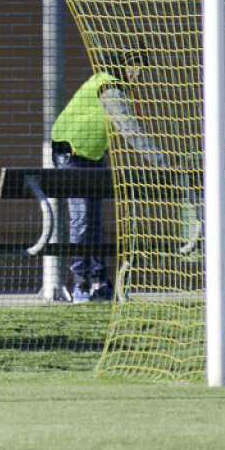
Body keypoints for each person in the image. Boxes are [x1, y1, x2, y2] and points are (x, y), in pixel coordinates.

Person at [50, 51, 169, 303]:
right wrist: (162, 161)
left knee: (94, 221)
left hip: (92, 156)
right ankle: (81, 283)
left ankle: (99, 281)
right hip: (72, 154)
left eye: (141, 69)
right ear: (122, 66)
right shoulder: (109, 87)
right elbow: (130, 131)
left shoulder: (117, 87)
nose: (139, 74)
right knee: (83, 219)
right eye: (134, 67)